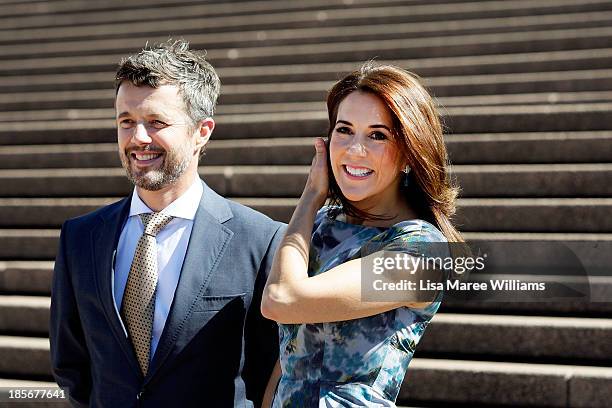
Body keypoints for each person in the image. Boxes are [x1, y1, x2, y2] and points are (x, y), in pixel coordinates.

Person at [49, 39, 284, 408]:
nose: (138, 138)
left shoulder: (260, 239)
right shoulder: (80, 237)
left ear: (202, 132)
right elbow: (71, 365)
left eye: (156, 122)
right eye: (126, 122)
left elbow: (270, 370)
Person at [261, 63, 464, 407]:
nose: (355, 149)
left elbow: (283, 300)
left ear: (409, 154)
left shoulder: (422, 252)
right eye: (344, 130)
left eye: (378, 135)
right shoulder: (323, 224)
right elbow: (287, 360)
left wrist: (310, 196)